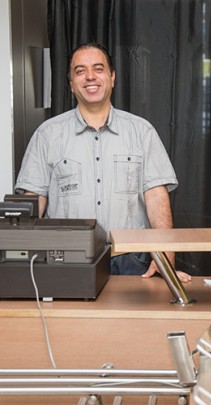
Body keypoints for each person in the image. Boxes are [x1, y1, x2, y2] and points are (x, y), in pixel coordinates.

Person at [15, 42, 191, 283]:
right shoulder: (47, 135)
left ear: (112, 77)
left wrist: (166, 260)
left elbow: (157, 199)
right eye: (80, 71)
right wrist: (21, 260)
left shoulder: (141, 132)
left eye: (98, 69)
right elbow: (33, 201)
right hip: (68, 259)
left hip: (132, 261)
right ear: (71, 84)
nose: (90, 77)